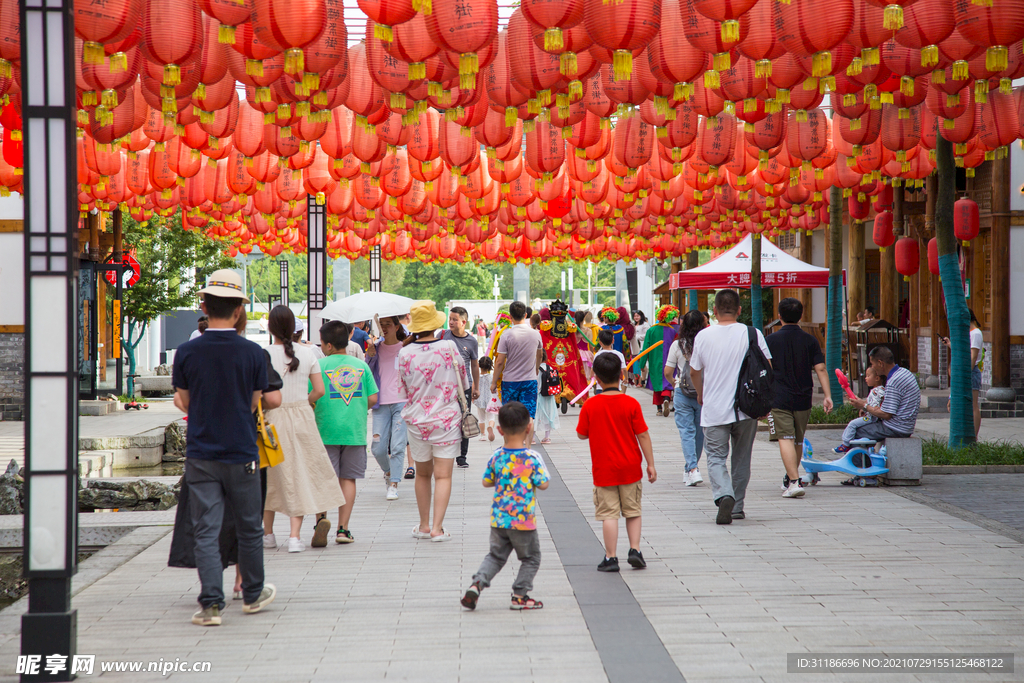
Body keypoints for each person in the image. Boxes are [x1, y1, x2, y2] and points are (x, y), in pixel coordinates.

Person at [171, 269, 276, 626]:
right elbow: (254, 403)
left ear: (204, 306)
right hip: (242, 450)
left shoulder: (186, 352)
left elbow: (183, 402)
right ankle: (252, 594)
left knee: (206, 529)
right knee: (249, 526)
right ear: (238, 311)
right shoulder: (252, 354)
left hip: (201, 453)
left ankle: (211, 604)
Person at [262, 306, 346, 553]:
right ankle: (295, 537)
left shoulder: (262, 353)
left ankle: (268, 535)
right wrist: (303, 401)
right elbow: (320, 390)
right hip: (301, 417)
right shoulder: (309, 353)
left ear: (270, 328)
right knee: (298, 475)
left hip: (271, 418)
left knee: (270, 476)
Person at [689, 289, 772, 525]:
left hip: (714, 408)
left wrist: (700, 393)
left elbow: (695, 371)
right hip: (747, 408)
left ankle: (724, 494)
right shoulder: (752, 333)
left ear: (714, 311)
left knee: (715, 457)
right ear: (739, 310)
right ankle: (737, 506)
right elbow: (768, 368)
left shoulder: (704, 336)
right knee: (741, 458)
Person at [460, 402, 550, 612]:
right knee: (531, 558)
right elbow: (544, 484)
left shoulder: (497, 456)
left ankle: (477, 584)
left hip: (499, 519)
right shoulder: (532, 458)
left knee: (495, 556)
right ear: (529, 427)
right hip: (523, 521)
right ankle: (520, 595)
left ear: (499, 430)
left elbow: (486, 481)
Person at [577, 353, 657, 572]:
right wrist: (650, 464)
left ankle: (611, 557)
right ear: (622, 375)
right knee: (632, 510)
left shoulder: (591, 405)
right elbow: (643, 435)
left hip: (604, 469)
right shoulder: (630, 403)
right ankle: (635, 550)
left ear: (596, 377)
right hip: (630, 467)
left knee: (609, 514)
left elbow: (581, 435)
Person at [400, 301, 469, 542]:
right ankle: (438, 529)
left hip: (417, 421)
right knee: (443, 476)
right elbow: (464, 380)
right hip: (447, 421)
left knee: (422, 474)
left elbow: (402, 389)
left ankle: (423, 526)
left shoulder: (404, 352)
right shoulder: (449, 347)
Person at [313, 321, 378, 543]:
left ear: (329, 345)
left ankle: (321, 520)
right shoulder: (362, 366)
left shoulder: (319, 366)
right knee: (348, 479)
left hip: (324, 430)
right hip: (354, 431)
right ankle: (343, 529)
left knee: (324, 479)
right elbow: (373, 398)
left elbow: (311, 397)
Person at [765, 298, 834, 499]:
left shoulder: (770, 340)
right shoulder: (810, 340)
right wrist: (828, 395)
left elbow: (767, 370)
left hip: (779, 397)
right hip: (804, 396)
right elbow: (820, 368)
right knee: (797, 439)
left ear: (779, 316)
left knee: (784, 437)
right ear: (801, 316)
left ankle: (794, 482)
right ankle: (790, 478)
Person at [366, 315, 410, 499]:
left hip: (403, 402)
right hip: (381, 403)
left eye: (388, 325)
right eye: (382, 325)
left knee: (398, 446)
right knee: (377, 447)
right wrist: (369, 356)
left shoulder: (406, 348)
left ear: (397, 325)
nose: (385, 328)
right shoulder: (375, 349)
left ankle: (394, 484)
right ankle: (389, 472)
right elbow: (366, 373)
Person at [664, 310, 707, 487]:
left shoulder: (677, 345)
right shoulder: (707, 343)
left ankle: (691, 469)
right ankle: (691, 468)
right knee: (698, 434)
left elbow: (667, 372)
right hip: (704, 393)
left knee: (686, 432)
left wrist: (675, 381)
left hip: (682, 392)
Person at [846, 345, 920, 442]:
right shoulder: (904, 372)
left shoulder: (894, 381)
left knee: (855, 432)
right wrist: (863, 404)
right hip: (904, 425)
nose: (872, 367)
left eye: (872, 364)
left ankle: (857, 457)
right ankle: (871, 456)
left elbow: (886, 414)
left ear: (880, 363)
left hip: (896, 428)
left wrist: (864, 405)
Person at [442, 306, 480, 469]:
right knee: (447, 419)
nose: (450, 322)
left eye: (454, 319)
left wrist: (475, 387)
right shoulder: (442, 336)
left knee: (464, 420)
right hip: (445, 386)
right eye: (450, 319)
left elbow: (474, 365)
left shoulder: (471, 341)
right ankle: (447, 451)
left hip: (464, 387)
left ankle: (462, 456)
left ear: (464, 322)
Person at [492, 300, 544, 421]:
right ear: (526, 315)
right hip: (530, 381)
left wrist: (494, 382)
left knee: (509, 416)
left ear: (510, 317)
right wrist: (536, 368)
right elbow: (540, 355)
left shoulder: (506, 335)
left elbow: (499, 361)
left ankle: (512, 440)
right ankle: (528, 440)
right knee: (529, 415)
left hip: (510, 382)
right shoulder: (536, 334)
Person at [941, 308, 984, 438]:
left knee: (973, 405)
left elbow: (972, 356)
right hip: (964, 370)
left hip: (970, 371)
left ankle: (974, 436)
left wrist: (964, 373)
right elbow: (964, 352)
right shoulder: (968, 333)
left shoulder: (976, 333)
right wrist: (950, 344)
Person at [635, 305, 680, 417]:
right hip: (669, 362)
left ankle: (659, 409)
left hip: (654, 362)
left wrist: (642, 364)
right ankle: (666, 398)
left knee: (657, 385)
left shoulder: (651, 330)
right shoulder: (672, 331)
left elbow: (645, 348)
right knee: (668, 382)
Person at [834, 365, 886, 454]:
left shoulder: (879, 391)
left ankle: (845, 444)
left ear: (877, 378)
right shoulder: (875, 390)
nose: (865, 378)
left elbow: (878, 403)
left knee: (852, 424)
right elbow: (868, 403)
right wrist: (862, 406)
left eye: (868, 376)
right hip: (871, 416)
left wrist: (867, 407)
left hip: (872, 418)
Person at [535, 350, 560, 444]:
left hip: (538, 396)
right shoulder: (550, 367)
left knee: (536, 416)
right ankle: (547, 437)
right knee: (548, 415)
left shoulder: (536, 369)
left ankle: (532, 438)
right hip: (549, 396)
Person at [474, 356, 499, 442]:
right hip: (490, 400)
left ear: (479, 366)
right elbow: (495, 388)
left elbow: (474, 387)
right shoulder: (492, 377)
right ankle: (490, 427)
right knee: (491, 417)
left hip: (480, 400)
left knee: (481, 418)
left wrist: (473, 398)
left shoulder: (476, 377)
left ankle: (482, 435)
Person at [629, 311, 650, 386]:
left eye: (638, 316)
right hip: (634, 347)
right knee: (635, 363)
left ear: (641, 316)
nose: (636, 317)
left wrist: (637, 337)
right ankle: (636, 381)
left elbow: (647, 335)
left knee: (642, 363)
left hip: (642, 346)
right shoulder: (633, 324)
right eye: (635, 316)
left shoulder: (645, 325)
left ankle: (643, 380)